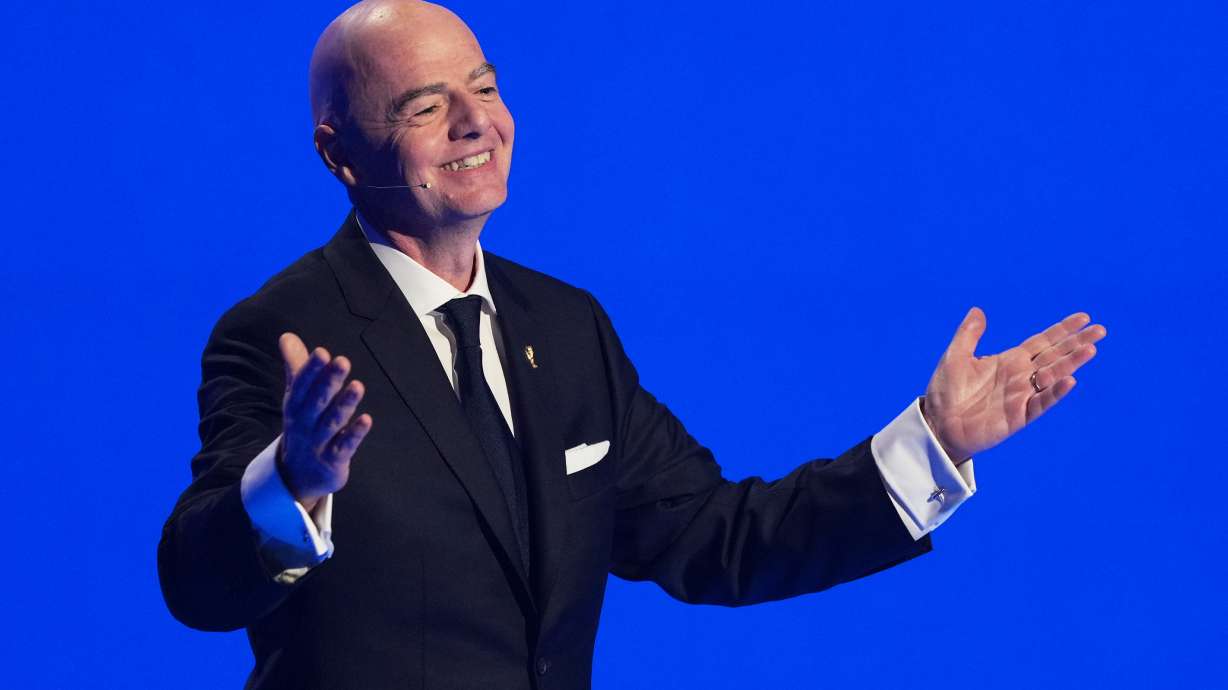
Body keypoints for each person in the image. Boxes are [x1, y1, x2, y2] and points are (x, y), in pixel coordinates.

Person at [157, 1, 1107, 688]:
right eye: (424, 106)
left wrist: (931, 445)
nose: (475, 122)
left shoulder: (565, 330)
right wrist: (297, 480)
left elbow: (714, 537)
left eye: (485, 88)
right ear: (338, 152)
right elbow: (197, 585)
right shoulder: (282, 333)